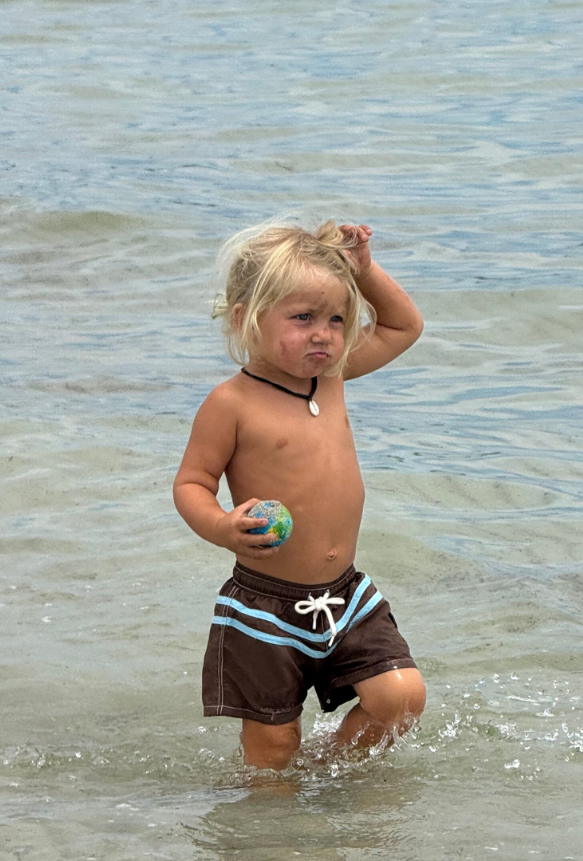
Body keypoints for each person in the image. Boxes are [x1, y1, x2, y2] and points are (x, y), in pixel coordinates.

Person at [173, 219, 426, 770]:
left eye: (337, 319)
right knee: (273, 744)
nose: (324, 334)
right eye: (303, 318)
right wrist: (221, 525)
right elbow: (192, 483)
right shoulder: (231, 403)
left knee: (401, 697)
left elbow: (405, 326)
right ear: (247, 319)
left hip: (345, 594)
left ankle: (328, 773)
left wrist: (364, 270)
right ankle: (276, 834)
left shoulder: (331, 375)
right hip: (263, 605)